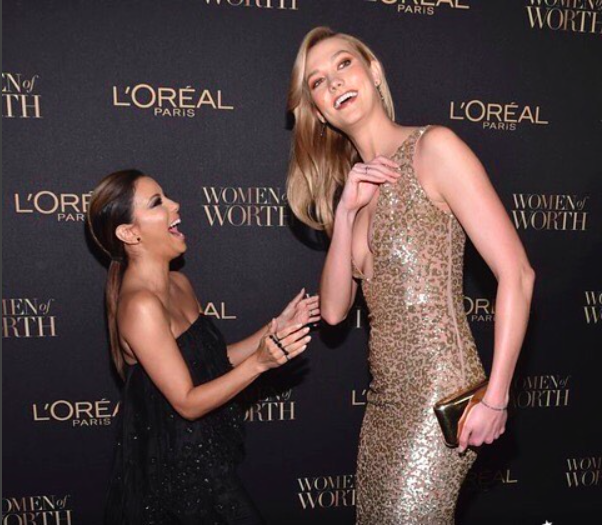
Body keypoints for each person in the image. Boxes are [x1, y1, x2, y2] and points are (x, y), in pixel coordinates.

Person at [286, 27, 535, 524]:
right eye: (317, 82)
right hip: (384, 403)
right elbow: (333, 312)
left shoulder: (433, 148)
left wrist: (497, 397)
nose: (334, 83)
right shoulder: (356, 191)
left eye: (344, 64)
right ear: (319, 111)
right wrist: (345, 214)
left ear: (374, 72)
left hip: (441, 397)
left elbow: (518, 274)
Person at [87, 169, 320, 524]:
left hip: (206, 460)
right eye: (157, 202)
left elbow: (213, 362)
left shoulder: (179, 283)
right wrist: (259, 363)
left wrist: (274, 329)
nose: (175, 205)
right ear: (129, 233)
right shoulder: (140, 306)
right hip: (175, 481)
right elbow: (187, 402)